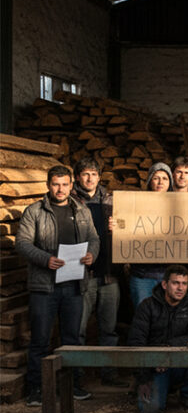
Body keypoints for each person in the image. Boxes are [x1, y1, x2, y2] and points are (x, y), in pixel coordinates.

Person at [16, 165, 99, 405]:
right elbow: (22, 243)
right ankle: (36, 390)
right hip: (44, 287)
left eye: (65, 184)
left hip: (73, 285)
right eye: (56, 184)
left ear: (72, 185)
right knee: (40, 339)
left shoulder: (82, 210)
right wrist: (45, 259)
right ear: (48, 185)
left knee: (72, 339)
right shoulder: (34, 211)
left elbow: (94, 238)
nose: (60, 189)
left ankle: (72, 385)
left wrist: (92, 254)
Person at [71, 157, 128, 388]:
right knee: (79, 330)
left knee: (109, 329)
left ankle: (108, 373)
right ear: (77, 177)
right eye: (85, 174)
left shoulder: (111, 201)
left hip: (109, 274)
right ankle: (76, 377)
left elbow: (130, 228)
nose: (89, 178)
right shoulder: (70, 201)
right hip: (81, 275)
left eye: (94, 174)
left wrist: (120, 227)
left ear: (99, 176)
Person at [127, 265, 188, 413]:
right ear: (164, 284)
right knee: (150, 411)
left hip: (179, 362)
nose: (180, 288)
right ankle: (158, 387)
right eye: (176, 283)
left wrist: (168, 347)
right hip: (154, 366)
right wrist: (144, 378)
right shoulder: (147, 306)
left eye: (184, 284)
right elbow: (136, 342)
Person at [128, 162, 174, 307]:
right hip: (142, 276)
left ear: (170, 183)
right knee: (144, 318)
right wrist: (116, 227)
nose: (160, 182)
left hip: (169, 276)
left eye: (165, 178)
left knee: (168, 318)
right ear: (149, 181)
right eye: (156, 178)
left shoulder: (180, 206)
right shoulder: (134, 204)